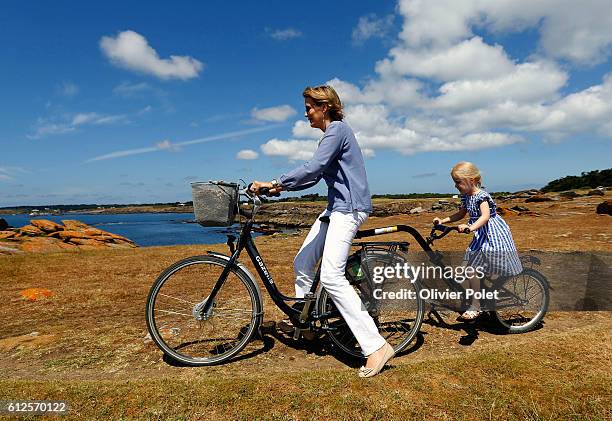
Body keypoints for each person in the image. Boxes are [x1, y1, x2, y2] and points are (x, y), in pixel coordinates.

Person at [251, 85, 394, 378]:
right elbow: (315, 176)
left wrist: (273, 181)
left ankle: (376, 347)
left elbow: (314, 167)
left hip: (350, 208)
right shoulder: (330, 135)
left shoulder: (337, 130)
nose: (306, 113)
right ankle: (307, 326)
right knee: (302, 261)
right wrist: (279, 188)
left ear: (325, 106)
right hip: (334, 208)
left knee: (330, 276)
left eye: (309, 107)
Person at [433, 162, 523, 320]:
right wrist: (443, 220)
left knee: (479, 267)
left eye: (458, 182)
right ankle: (480, 298)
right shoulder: (466, 197)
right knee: (470, 268)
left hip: (492, 234)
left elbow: (485, 216)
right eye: (455, 182)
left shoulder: (482, 196)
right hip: (480, 234)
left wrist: (471, 227)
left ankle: (477, 305)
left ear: (472, 180)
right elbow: (460, 214)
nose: (456, 186)